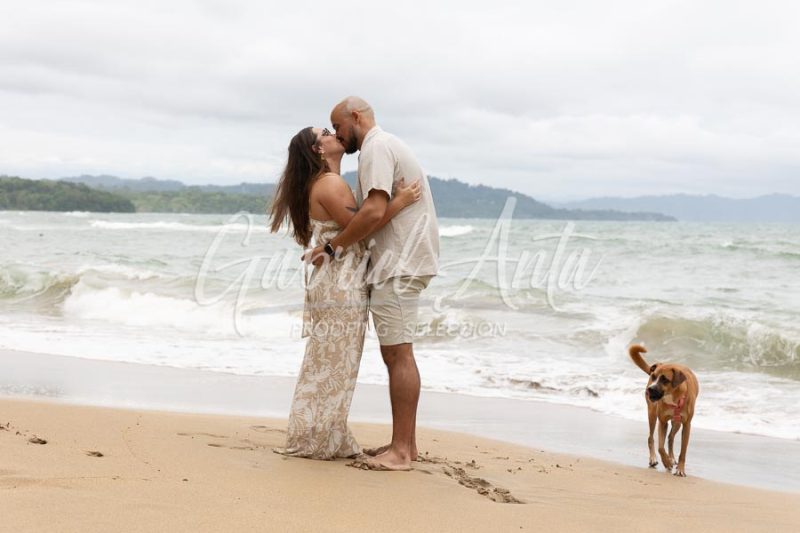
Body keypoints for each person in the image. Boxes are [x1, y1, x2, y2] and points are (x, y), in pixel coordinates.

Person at [269, 125, 421, 460]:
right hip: (340, 283)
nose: (332, 133)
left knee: (330, 361)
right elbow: (363, 226)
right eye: (324, 132)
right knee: (334, 363)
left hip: (337, 280)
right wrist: (399, 202)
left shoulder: (325, 183)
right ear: (318, 149)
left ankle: (321, 434)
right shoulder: (330, 184)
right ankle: (317, 437)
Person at [308, 97, 440, 470]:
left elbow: (373, 211)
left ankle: (401, 453)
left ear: (355, 117)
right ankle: (407, 445)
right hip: (402, 260)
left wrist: (331, 247)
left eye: (338, 127)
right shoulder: (383, 146)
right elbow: (378, 209)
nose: (338, 135)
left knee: (398, 355)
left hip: (398, 262)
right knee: (396, 353)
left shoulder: (375, 148)